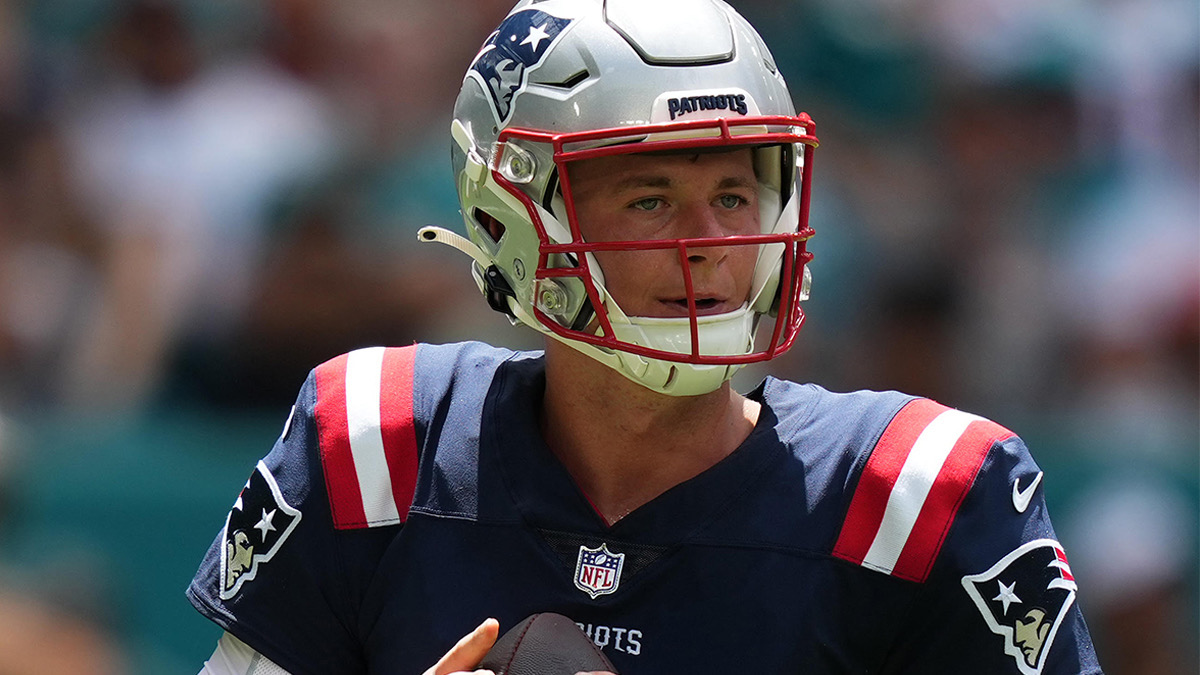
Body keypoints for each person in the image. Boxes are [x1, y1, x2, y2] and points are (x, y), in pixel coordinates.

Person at [188, 1, 1103, 673]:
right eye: (651, 199)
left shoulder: (923, 500)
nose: (708, 246)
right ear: (515, 214)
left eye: (735, 197)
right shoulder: (374, 449)